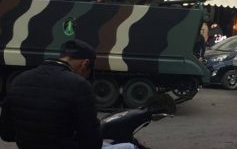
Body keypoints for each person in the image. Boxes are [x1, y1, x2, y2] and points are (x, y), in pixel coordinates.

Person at [0, 40, 136, 149]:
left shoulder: (20, 79)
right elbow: (91, 143)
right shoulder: (79, 85)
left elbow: (6, 134)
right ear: (85, 64)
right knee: (129, 146)